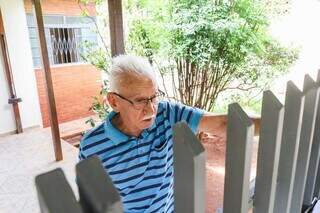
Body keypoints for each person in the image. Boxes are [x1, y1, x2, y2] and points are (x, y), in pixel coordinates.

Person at [78, 55, 223, 212]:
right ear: (114, 102)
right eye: (140, 101)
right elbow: (91, 204)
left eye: (153, 97)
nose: (151, 110)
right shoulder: (91, 147)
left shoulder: (167, 114)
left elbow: (224, 123)